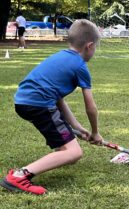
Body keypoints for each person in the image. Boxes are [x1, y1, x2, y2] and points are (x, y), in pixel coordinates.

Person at [0, 19, 103, 195]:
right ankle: (18, 177)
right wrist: (95, 132)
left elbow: (58, 100)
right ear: (89, 45)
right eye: (96, 47)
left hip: (23, 101)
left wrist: (77, 128)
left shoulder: (59, 56)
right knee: (74, 153)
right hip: (39, 105)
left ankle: (61, 150)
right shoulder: (80, 67)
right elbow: (90, 107)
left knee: (67, 151)